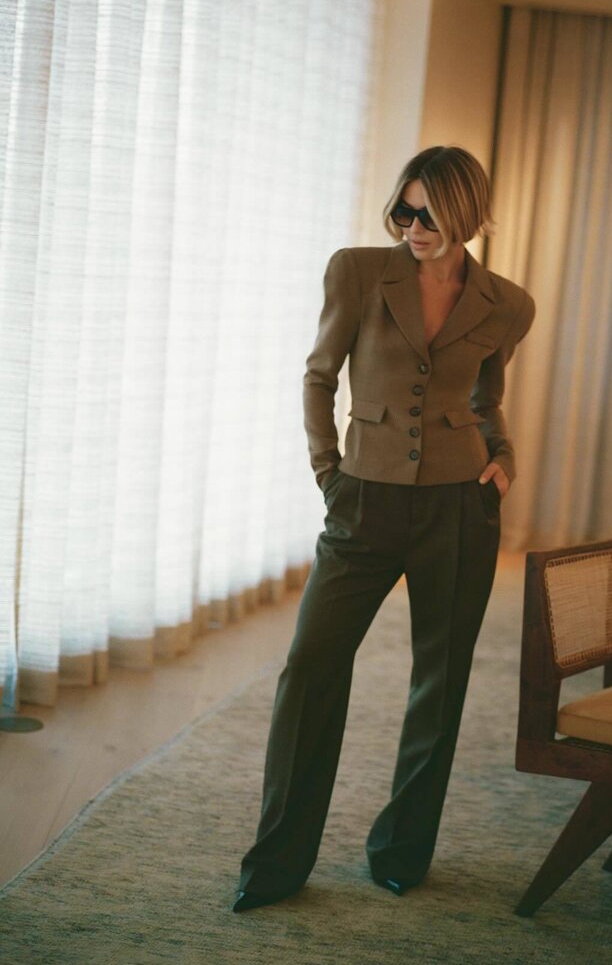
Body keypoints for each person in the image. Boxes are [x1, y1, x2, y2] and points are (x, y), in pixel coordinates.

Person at [234, 146, 535, 912]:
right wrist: (328, 473)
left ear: (467, 214)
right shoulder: (360, 273)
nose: (411, 226)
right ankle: (276, 863)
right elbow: (318, 376)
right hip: (362, 501)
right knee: (310, 668)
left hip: (459, 509)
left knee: (440, 681)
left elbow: (486, 401)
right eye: (403, 209)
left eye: (427, 213)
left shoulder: (507, 304)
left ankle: (402, 851)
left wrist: (502, 460)